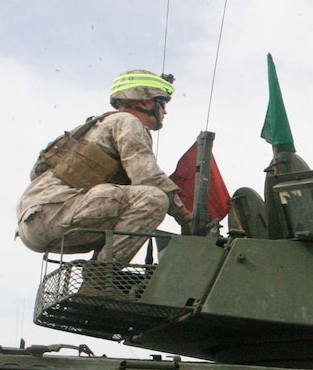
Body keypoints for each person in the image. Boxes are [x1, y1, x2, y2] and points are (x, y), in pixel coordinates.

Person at [17, 70, 193, 265]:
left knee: (130, 211)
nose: (164, 112)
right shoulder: (126, 122)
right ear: (145, 101)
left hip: (38, 221)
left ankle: (94, 280)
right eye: (162, 104)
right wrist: (186, 217)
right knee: (153, 199)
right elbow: (147, 177)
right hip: (56, 211)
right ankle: (99, 281)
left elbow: (37, 172)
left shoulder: (100, 125)